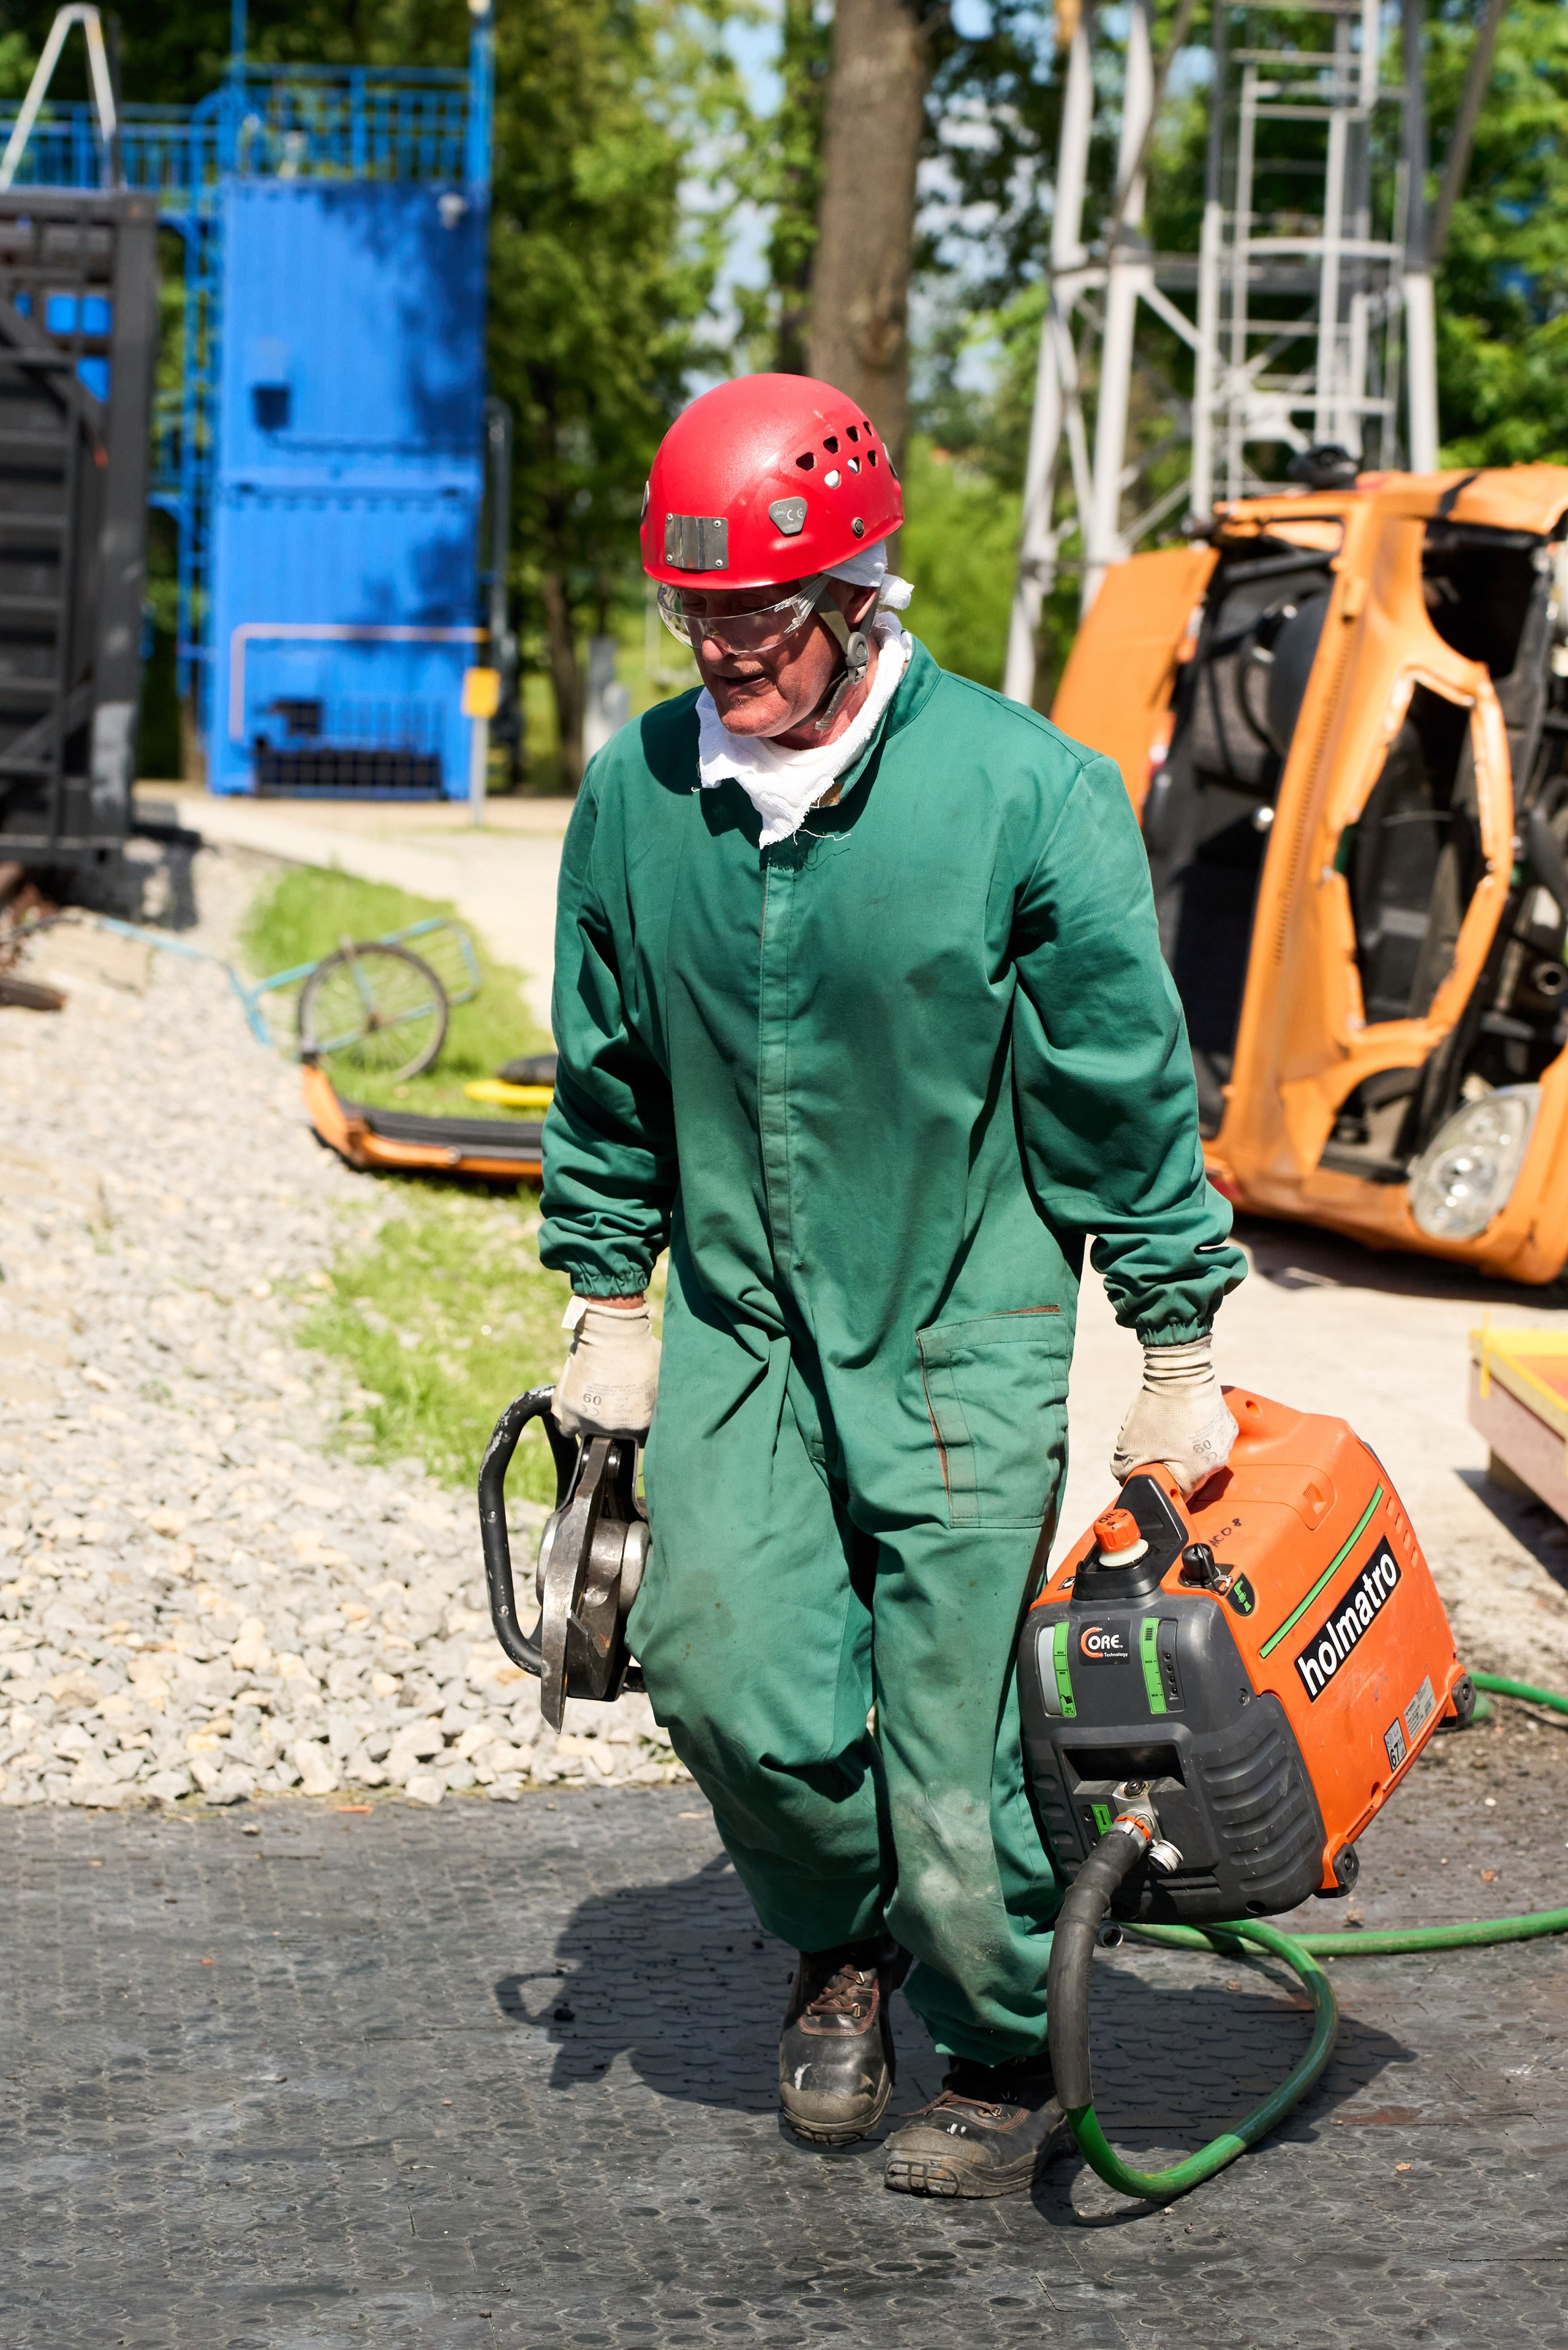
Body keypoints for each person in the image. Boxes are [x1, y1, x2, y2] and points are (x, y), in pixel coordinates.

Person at [538, 372, 1245, 2199]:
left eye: (755, 615)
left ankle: (1006, 2037)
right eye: (692, 613)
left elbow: (1121, 1085)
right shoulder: (638, 793)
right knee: (719, 1667)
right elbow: (608, 1070)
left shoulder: (1024, 794)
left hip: (959, 1331)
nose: (720, 652)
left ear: (859, 592)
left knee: (949, 1736)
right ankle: (843, 1940)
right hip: (750, 1331)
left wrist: (1176, 1337)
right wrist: (611, 1306)